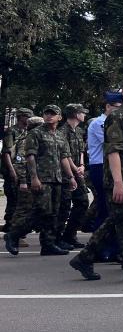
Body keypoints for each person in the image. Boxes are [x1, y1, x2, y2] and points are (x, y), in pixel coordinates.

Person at [69, 78, 123, 282]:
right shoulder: (117, 116)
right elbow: (113, 151)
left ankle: (86, 257)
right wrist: (118, 182)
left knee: (118, 220)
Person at [20, 105, 76, 256]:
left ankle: (48, 245)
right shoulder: (36, 133)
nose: (49, 116)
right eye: (47, 113)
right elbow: (30, 156)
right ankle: (14, 235)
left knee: (53, 213)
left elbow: (64, 158)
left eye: (53, 114)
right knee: (41, 211)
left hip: (56, 178)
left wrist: (71, 177)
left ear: (59, 117)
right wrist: (33, 178)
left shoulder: (59, 135)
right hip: (42, 178)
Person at [84, 91, 123, 261]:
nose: (119, 111)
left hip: (112, 166)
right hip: (100, 167)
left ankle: (114, 248)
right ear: (108, 106)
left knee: (114, 210)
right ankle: (99, 249)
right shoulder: (99, 123)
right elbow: (114, 143)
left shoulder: (116, 122)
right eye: (117, 108)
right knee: (104, 208)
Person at [2, 116, 44, 254]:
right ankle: (14, 236)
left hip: (35, 180)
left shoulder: (34, 138)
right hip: (27, 181)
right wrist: (24, 182)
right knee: (23, 210)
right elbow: (21, 163)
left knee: (35, 210)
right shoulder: (26, 140)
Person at [57, 104, 90, 250]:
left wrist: (82, 165)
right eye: (82, 112)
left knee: (82, 202)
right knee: (63, 206)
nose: (84, 115)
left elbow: (81, 149)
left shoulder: (79, 130)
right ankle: (58, 238)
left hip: (77, 172)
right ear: (76, 114)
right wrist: (74, 168)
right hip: (65, 173)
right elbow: (65, 153)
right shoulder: (62, 131)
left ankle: (70, 235)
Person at [2, 108, 33, 233]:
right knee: (14, 201)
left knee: (21, 202)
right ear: (21, 117)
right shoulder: (12, 131)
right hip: (13, 171)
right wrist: (12, 171)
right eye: (27, 116)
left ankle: (12, 229)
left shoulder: (27, 132)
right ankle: (11, 229)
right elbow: (6, 153)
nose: (29, 119)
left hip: (23, 172)